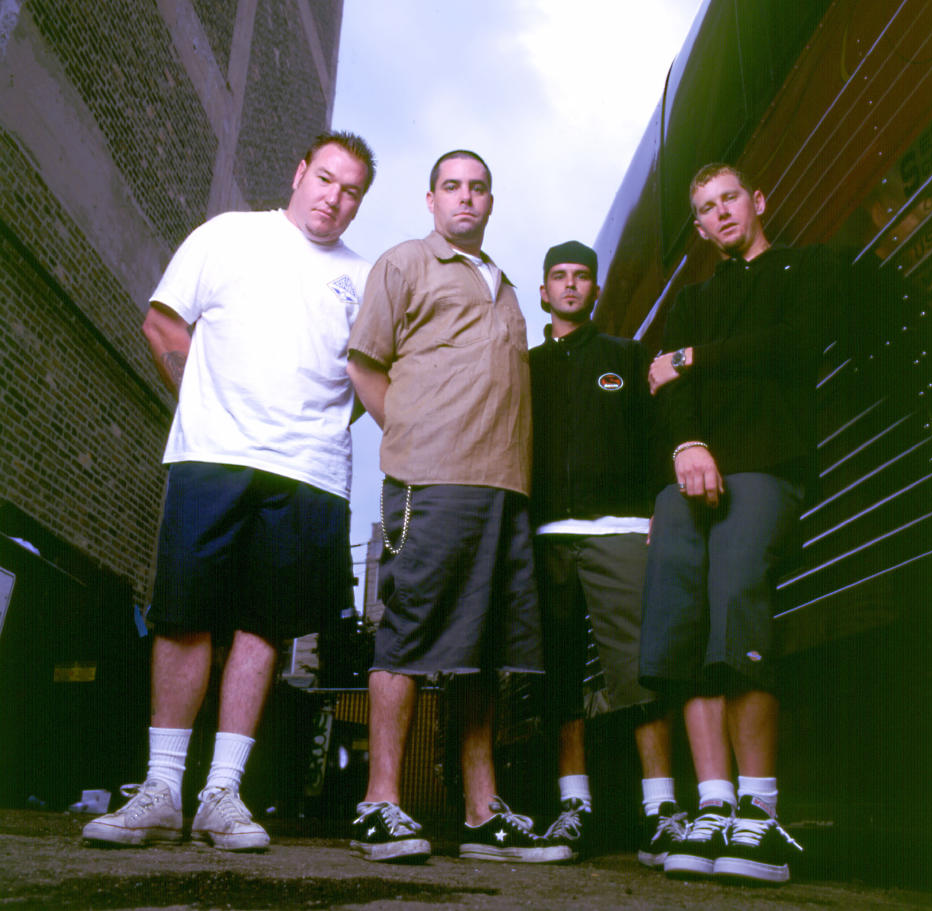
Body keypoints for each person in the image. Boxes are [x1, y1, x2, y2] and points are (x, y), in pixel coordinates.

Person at [82, 130, 376, 852]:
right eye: (327, 179)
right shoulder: (229, 235)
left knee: (263, 626)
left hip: (307, 472)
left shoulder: (363, 278)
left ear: (358, 204)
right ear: (300, 170)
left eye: (351, 192)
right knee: (184, 613)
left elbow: (369, 376)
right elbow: (162, 323)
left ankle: (221, 793)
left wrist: (317, 424)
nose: (334, 199)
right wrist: (209, 405)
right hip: (213, 455)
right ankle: (159, 788)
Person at [346, 150, 567, 864]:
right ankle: (380, 801)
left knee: (483, 650)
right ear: (431, 199)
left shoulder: (504, 284)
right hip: (431, 479)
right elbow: (363, 361)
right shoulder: (405, 262)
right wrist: (411, 433)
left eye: (478, 188)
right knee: (409, 634)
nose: (465, 198)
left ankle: (481, 811)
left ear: (491, 202)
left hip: (504, 487)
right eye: (452, 187)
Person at [640, 163, 839, 883]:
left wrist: (690, 359)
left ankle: (761, 811)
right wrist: (687, 443)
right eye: (704, 208)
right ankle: (714, 804)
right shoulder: (693, 300)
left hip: (765, 465)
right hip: (691, 472)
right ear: (698, 227)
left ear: (758, 200)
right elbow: (665, 394)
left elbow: (791, 341)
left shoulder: (803, 270)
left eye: (730, 198)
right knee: (683, 625)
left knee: (735, 603)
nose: (720, 213)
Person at [529, 241, 685, 866]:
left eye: (581, 277)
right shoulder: (525, 365)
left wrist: (657, 511)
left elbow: (656, 438)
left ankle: (661, 810)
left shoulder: (625, 356)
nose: (570, 286)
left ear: (595, 290)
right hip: (545, 536)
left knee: (640, 672)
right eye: (558, 277)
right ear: (544, 292)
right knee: (560, 675)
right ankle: (574, 808)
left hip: (621, 530)